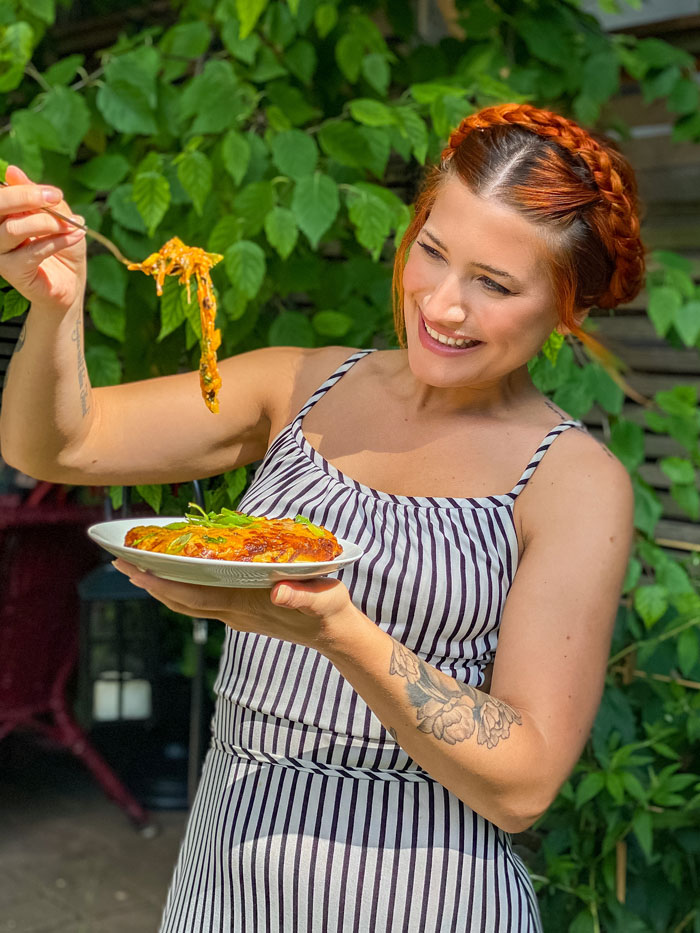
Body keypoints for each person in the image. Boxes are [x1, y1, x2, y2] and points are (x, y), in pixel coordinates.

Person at [0, 101, 646, 932]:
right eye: (434, 253)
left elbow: (522, 783)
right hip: (224, 884)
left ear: (569, 308)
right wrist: (56, 306)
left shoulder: (571, 481)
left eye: (494, 284)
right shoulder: (300, 384)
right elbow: (61, 445)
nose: (443, 306)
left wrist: (336, 628)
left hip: (423, 900)